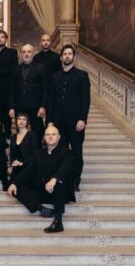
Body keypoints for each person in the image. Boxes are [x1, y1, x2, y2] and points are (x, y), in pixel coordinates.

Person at [7, 125, 75, 233]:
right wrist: (14, 183)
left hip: (59, 192)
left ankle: (58, 221)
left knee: (60, 183)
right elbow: (28, 171)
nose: (50, 137)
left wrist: (54, 179)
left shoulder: (66, 152)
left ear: (59, 137)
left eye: (53, 134)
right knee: (18, 188)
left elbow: (65, 169)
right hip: (43, 191)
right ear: (44, 138)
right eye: (48, 135)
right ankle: (41, 209)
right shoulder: (38, 153)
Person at [46, 44, 91, 191]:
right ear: (61, 57)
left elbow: (86, 99)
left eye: (69, 54)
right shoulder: (54, 77)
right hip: (58, 122)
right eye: (64, 54)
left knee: (76, 152)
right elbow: (50, 101)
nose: (67, 56)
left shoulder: (82, 75)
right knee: (62, 153)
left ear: (74, 57)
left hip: (75, 122)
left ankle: (75, 181)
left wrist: (82, 119)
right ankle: (63, 179)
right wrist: (50, 122)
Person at [9, 44, 48, 138]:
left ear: (33, 53)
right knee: (20, 133)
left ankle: (37, 152)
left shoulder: (41, 68)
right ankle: (21, 152)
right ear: (21, 54)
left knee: (38, 131)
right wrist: (11, 107)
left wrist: (43, 106)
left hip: (35, 107)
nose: (26, 54)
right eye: (24, 52)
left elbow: (45, 88)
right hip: (19, 106)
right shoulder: (15, 69)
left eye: (29, 52)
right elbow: (11, 89)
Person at [0, 30, 17, 135]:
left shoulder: (12, 52)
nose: (0, 39)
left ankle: (7, 134)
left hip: (8, 87)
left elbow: (14, 69)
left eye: (2, 37)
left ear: (6, 39)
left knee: (7, 112)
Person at [8, 113, 39, 183]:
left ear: (27, 123)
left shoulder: (32, 135)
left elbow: (35, 154)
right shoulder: (13, 137)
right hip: (16, 166)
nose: (21, 121)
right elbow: (12, 155)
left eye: (24, 119)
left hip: (28, 165)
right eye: (19, 119)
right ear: (16, 121)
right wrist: (12, 165)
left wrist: (22, 163)